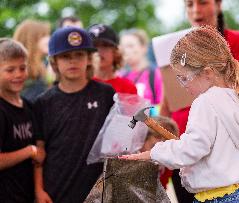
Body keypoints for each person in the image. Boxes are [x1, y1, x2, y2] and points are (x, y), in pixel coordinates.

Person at [120, 26, 239, 203]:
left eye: (184, 78)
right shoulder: (235, 98)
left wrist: (154, 153)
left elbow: (191, 149)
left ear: (208, 73)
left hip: (214, 198)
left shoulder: (205, 102)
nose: (182, 85)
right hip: (236, 194)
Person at [159, 1, 239, 202]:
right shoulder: (176, 47)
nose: (196, 10)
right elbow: (167, 102)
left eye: (203, 2)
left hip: (219, 159)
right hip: (183, 147)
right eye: (189, 4)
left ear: (218, 5)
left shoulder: (236, 41)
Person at [33, 27, 115, 203]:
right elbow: (39, 152)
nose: (73, 61)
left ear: (88, 58)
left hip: (99, 192)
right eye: (65, 56)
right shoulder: (43, 102)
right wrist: (38, 190)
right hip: (56, 191)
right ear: (54, 62)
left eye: (79, 55)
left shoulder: (106, 94)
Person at [0, 38, 44, 202]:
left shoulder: (29, 106)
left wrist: (38, 190)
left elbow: (40, 151)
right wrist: (29, 151)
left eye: (22, 68)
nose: (18, 74)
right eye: (10, 70)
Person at [87, 24, 137, 94]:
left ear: (116, 52)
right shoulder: (81, 85)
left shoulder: (127, 87)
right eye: (94, 46)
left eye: (105, 45)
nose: (99, 51)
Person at [120, 29, 163, 106]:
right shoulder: (122, 76)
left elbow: (163, 106)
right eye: (123, 47)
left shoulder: (156, 74)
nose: (126, 51)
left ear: (144, 48)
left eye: (130, 46)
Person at [13, 19, 51, 103]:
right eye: (45, 35)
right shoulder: (20, 70)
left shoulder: (43, 66)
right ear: (33, 39)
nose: (49, 39)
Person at [140, 116, 179, 189]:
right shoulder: (128, 159)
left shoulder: (166, 167)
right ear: (144, 139)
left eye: (167, 139)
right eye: (158, 136)